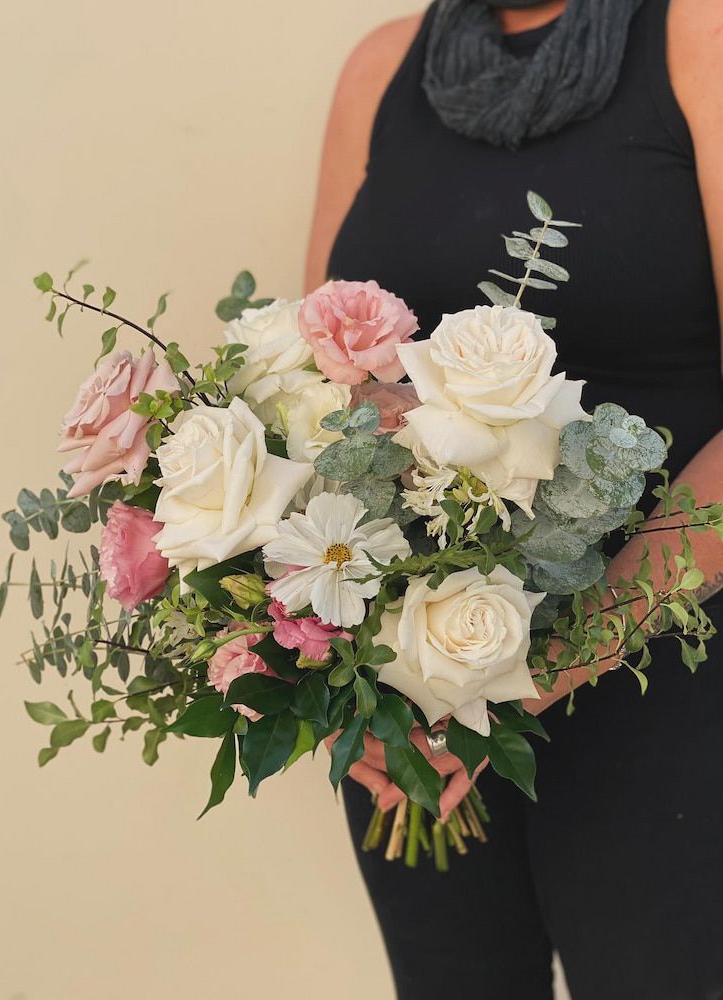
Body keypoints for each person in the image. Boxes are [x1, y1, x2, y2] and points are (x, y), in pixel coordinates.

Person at [305, 1, 723, 997]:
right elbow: (318, 384)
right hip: (412, 693)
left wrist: (534, 669)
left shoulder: (698, 41)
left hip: (666, 665)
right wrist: (322, 671)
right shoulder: (379, 68)